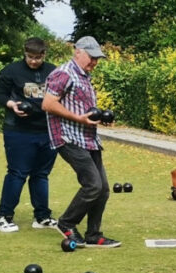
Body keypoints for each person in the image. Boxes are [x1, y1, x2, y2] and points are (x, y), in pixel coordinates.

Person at [42, 36, 120, 248]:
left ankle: (93, 234)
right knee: (93, 184)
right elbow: (48, 104)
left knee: (102, 189)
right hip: (68, 137)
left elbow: (81, 108)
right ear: (78, 52)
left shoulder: (84, 76)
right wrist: (79, 119)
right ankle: (66, 223)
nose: (95, 62)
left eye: (97, 58)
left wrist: (99, 119)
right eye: (92, 57)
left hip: (88, 138)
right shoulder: (63, 73)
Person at [0, 37, 58, 233]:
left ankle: (42, 217)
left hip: (47, 131)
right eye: (30, 57)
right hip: (18, 131)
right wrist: (12, 105)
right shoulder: (11, 71)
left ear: (44, 55)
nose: (34, 61)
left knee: (41, 174)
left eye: (38, 57)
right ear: (24, 53)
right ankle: (3, 217)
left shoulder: (54, 72)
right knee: (17, 173)